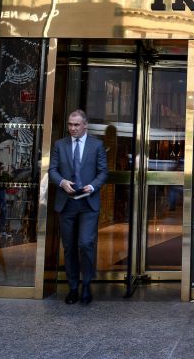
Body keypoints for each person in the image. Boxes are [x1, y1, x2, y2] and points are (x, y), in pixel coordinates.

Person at [48, 109, 108, 305]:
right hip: (66, 203)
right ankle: (73, 287)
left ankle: (87, 284)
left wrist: (92, 186)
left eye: (76, 125)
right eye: (70, 125)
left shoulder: (96, 145)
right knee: (70, 247)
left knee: (86, 243)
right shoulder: (60, 144)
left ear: (85, 125)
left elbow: (103, 172)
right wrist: (62, 182)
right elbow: (52, 170)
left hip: (88, 203)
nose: (72, 128)